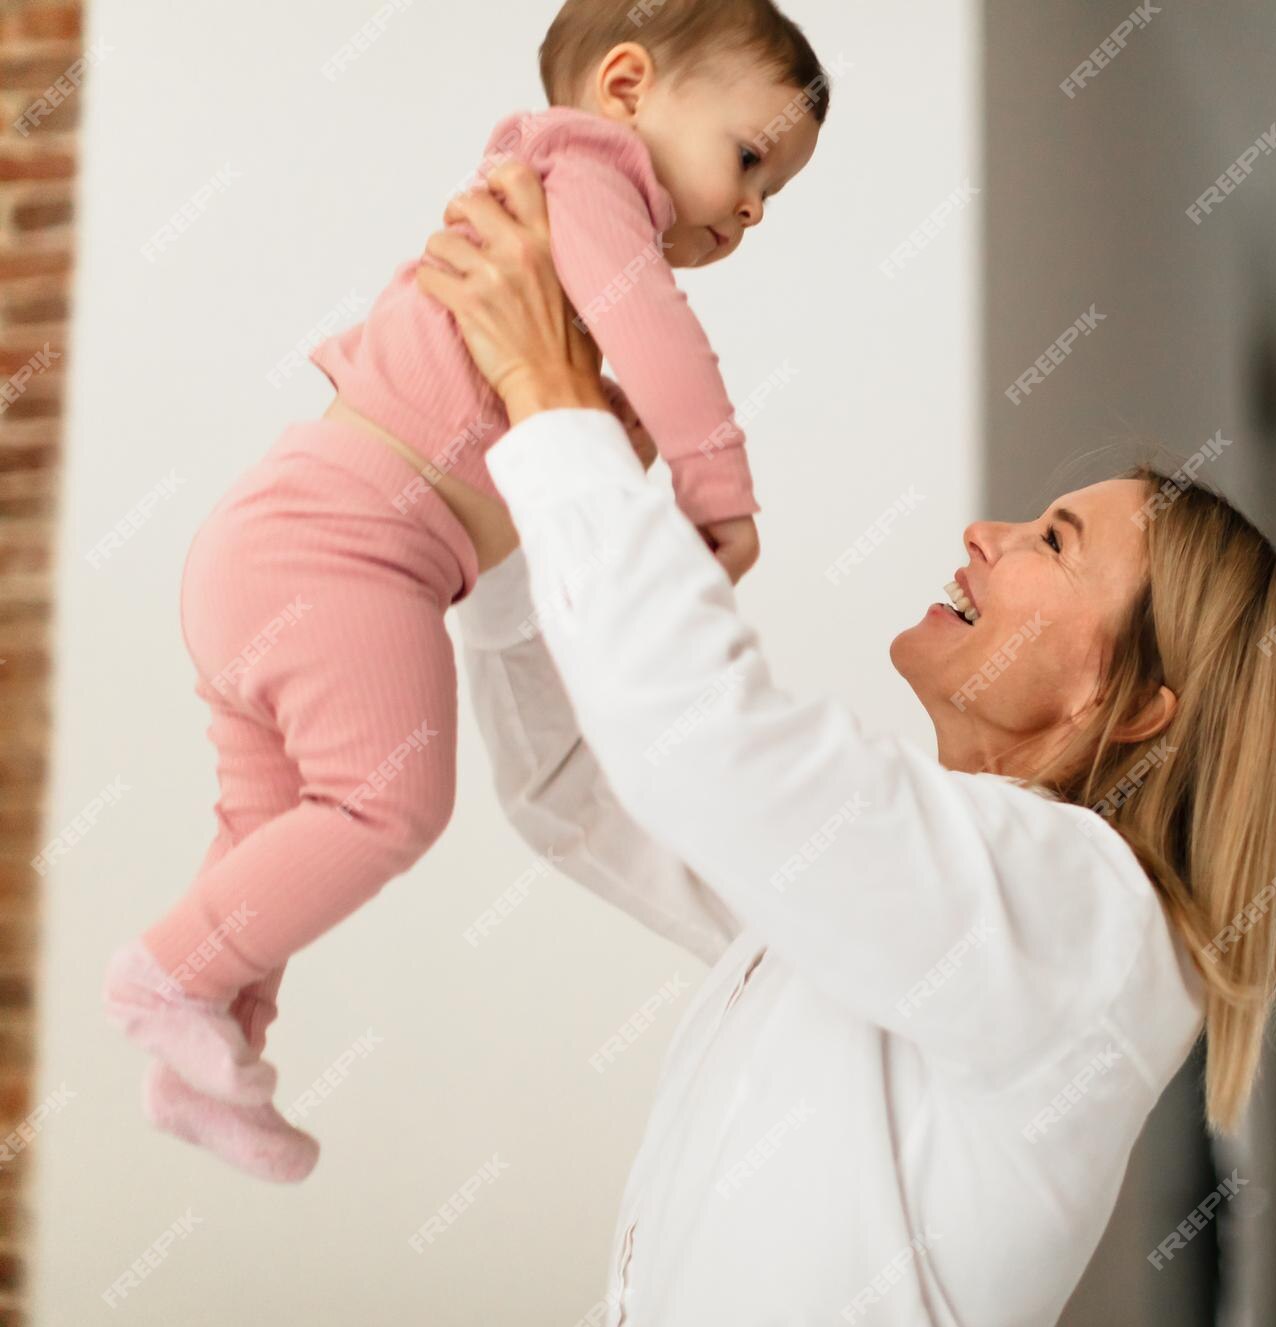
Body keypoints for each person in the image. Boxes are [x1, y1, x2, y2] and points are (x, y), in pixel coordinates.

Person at [455, 165, 1276, 1327]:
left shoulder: (1083, 920)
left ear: (1131, 705)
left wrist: (556, 404)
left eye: (1051, 542)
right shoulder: (928, 902)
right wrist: (506, 515)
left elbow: (701, 745)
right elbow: (574, 788)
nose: (984, 534)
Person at [102, 0, 828, 1183]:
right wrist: (714, 482)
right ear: (628, 86)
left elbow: (522, 541)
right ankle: (165, 979)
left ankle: (210, 1054)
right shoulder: (584, 170)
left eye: (771, 197)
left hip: (285, 546)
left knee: (271, 838)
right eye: (749, 158)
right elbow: (655, 326)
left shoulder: (548, 229)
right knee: (389, 805)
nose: (749, 209)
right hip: (337, 548)